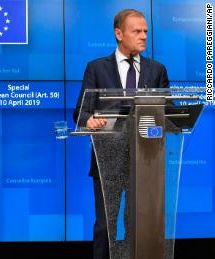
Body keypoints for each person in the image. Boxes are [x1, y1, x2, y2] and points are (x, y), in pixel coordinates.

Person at [73, 9, 169, 259]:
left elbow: (169, 113)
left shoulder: (157, 70)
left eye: (146, 31)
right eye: (137, 31)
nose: (144, 36)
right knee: (106, 226)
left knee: (137, 226)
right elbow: (81, 113)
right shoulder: (96, 68)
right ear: (119, 33)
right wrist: (90, 119)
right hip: (108, 161)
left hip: (145, 163)